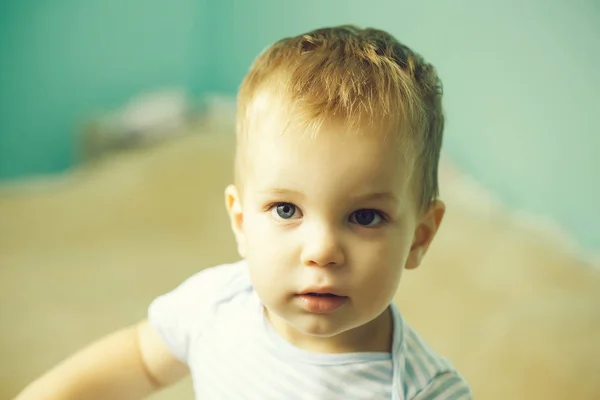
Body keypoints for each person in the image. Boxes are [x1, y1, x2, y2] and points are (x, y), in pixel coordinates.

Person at [16, 25, 472, 399]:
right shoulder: (214, 305)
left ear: (419, 236)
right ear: (241, 221)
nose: (322, 251)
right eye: (286, 208)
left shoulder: (424, 391)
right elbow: (137, 357)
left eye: (365, 217)